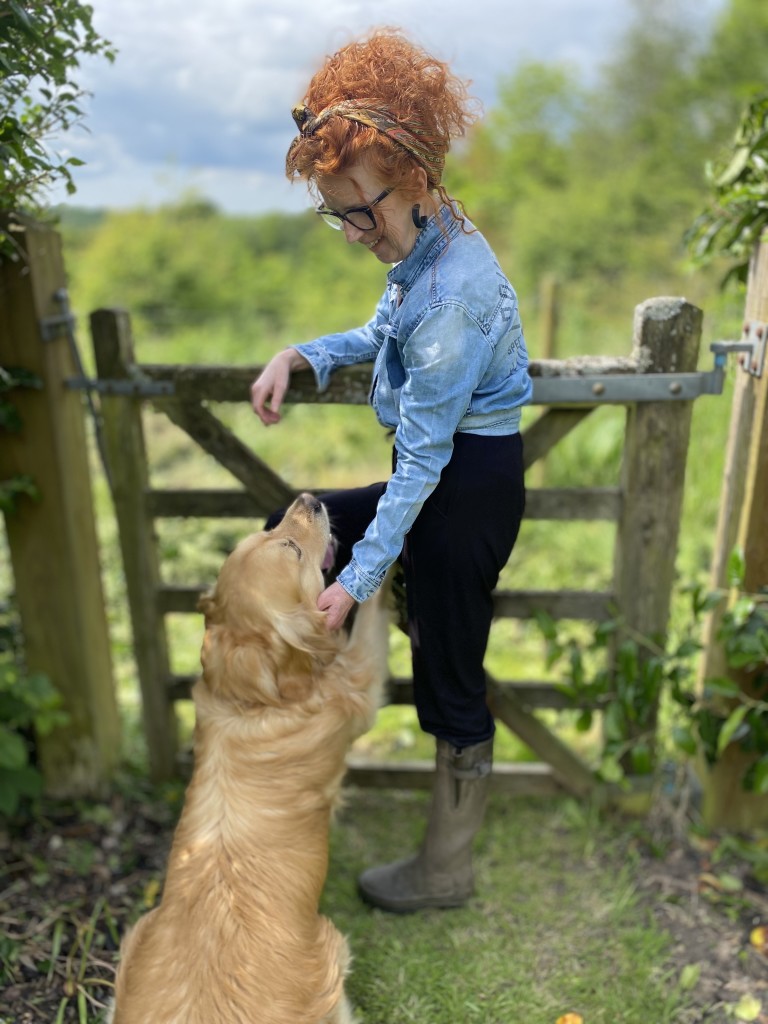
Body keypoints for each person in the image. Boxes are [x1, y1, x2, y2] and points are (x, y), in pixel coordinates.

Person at [250, 28, 532, 913]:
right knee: (296, 531)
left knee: (450, 676)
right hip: (445, 477)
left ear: (410, 181)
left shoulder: (456, 296)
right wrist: (302, 355)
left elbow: (419, 465)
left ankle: (445, 870)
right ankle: (320, 716)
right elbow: (378, 337)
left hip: (465, 489)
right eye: (337, 213)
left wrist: (360, 576)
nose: (351, 232)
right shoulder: (425, 243)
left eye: (359, 211)